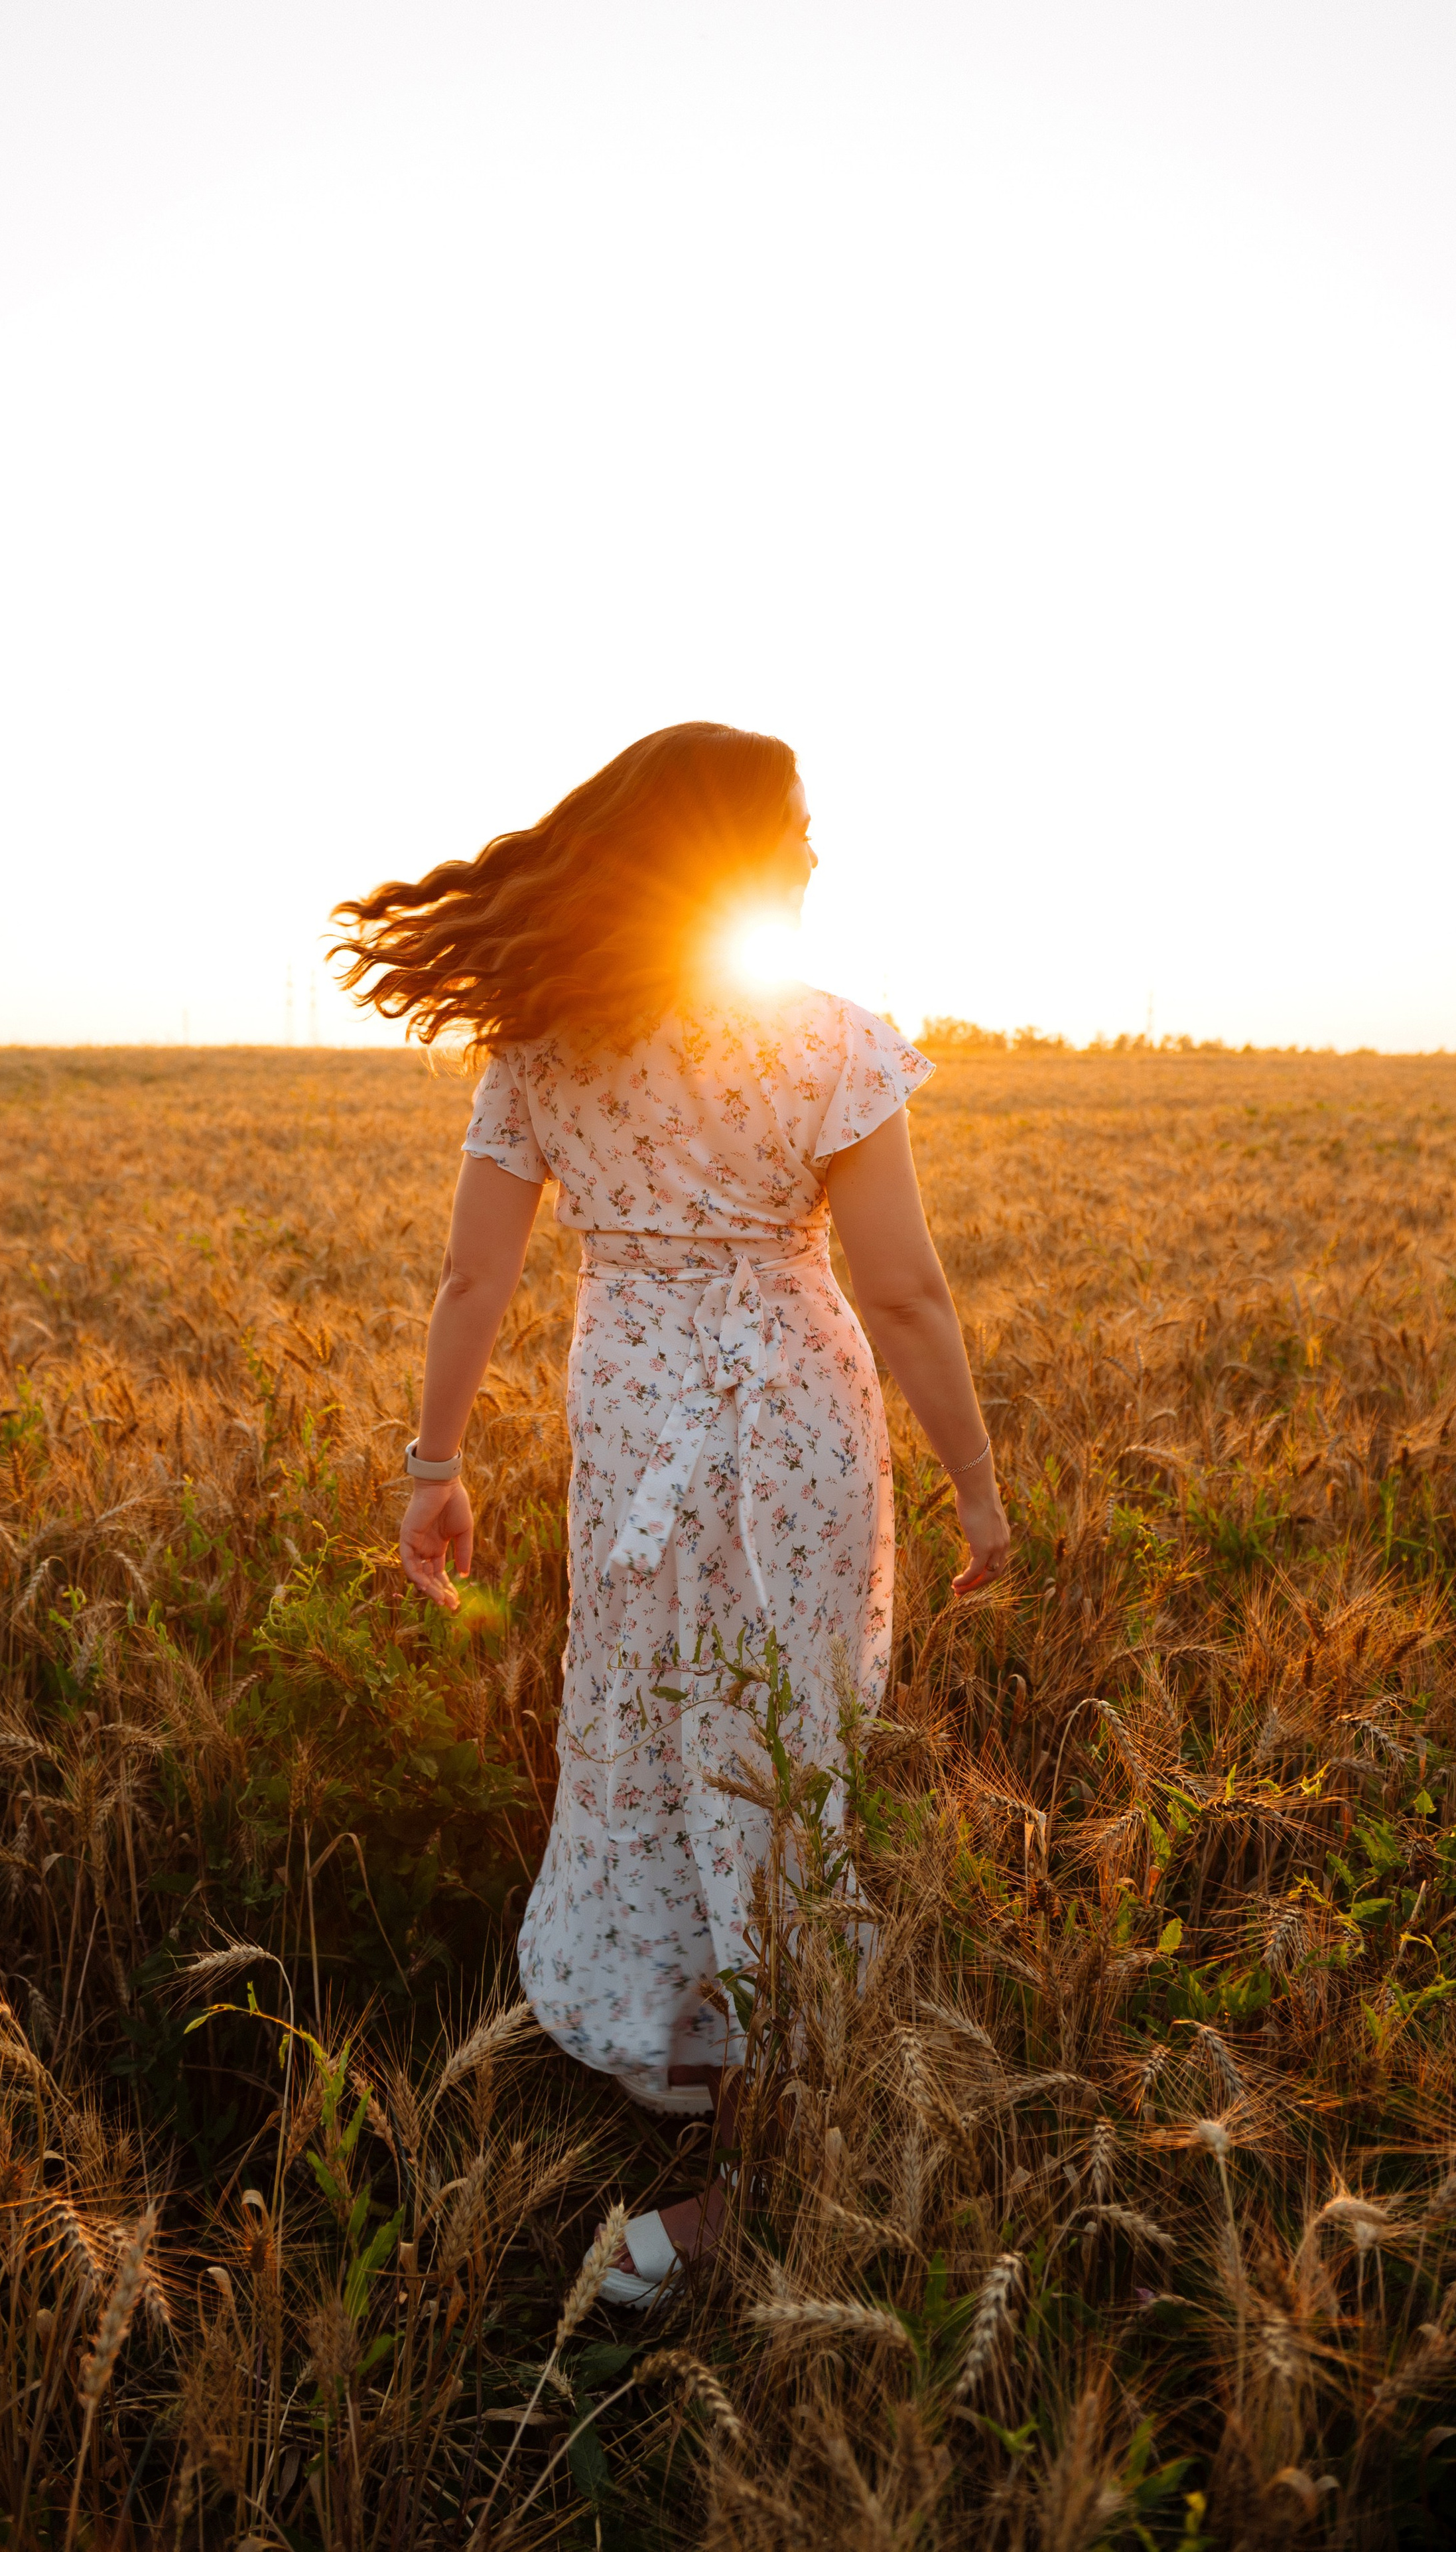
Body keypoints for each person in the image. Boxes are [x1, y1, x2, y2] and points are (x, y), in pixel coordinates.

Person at [329, 722, 1009, 2306]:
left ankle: (689, 2064)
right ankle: (749, 2170)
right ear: (727, 853)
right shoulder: (827, 1039)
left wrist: (433, 1468)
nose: (816, 851)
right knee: (782, 1737)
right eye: (796, 824)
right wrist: (975, 1488)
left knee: (649, 1714)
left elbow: (473, 1276)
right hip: (790, 1406)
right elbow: (902, 1290)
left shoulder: (541, 1043)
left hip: (628, 1406)